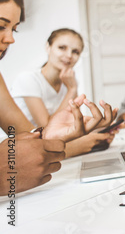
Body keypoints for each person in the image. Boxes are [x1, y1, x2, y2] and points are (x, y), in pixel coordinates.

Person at [0, 0, 115, 195]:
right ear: (48, 48)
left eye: (14, 29)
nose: (11, 39)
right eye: (1, 26)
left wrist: (73, 134)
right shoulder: (29, 79)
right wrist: (77, 144)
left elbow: (32, 136)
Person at [10, 28, 116, 157]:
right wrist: (72, 89)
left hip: (49, 149)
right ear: (48, 47)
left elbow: (70, 124)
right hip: (23, 152)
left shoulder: (69, 81)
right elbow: (48, 128)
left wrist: (100, 129)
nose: (69, 55)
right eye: (62, 48)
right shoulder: (28, 79)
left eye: (75, 51)